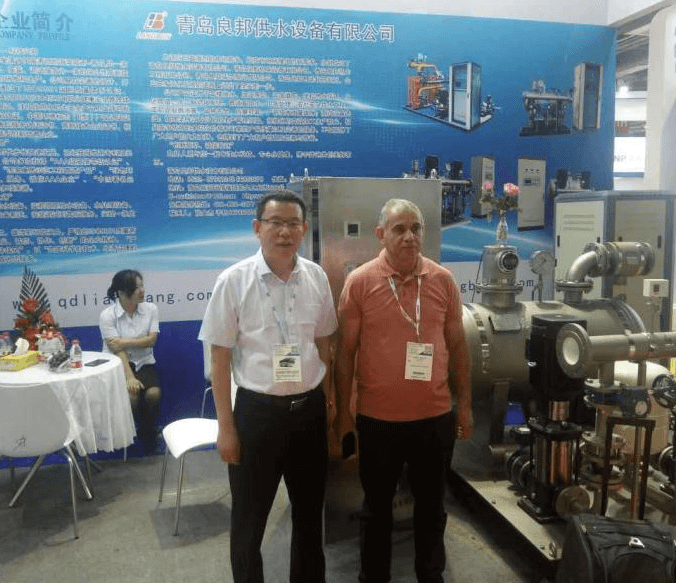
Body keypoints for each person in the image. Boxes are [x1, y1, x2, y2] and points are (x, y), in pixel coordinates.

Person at [199, 189, 337, 583]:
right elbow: (219, 358)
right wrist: (226, 428)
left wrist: (329, 402)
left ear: (304, 229)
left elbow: (325, 344)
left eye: (293, 224)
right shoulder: (233, 280)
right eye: (275, 223)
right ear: (257, 228)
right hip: (256, 416)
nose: (285, 232)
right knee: (248, 522)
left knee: (309, 518)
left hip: (308, 413)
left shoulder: (316, 277)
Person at [335, 198, 473, 583]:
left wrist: (464, 406)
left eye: (416, 228)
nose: (409, 236)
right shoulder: (360, 282)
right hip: (378, 420)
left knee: (432, 508)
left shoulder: (443, 280)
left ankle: (431, 576)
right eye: (399, 229)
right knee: (376, 509)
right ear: (381, 234)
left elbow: (458, 347)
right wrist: (343, 416)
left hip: (434, 418)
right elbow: (344, 354)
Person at [99, 269, 161, 454]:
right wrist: (130, 377)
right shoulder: (107, 315)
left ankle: (147, 431)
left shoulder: (151, 309)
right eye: (137, 287)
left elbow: (151, 341)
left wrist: (123, 341)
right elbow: (116, 349)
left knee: (154, 394)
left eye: (142, 285)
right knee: (132, 396)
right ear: (122, 292)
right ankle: (127, 434)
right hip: (118, 363)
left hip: (144, 361)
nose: (142, 290)